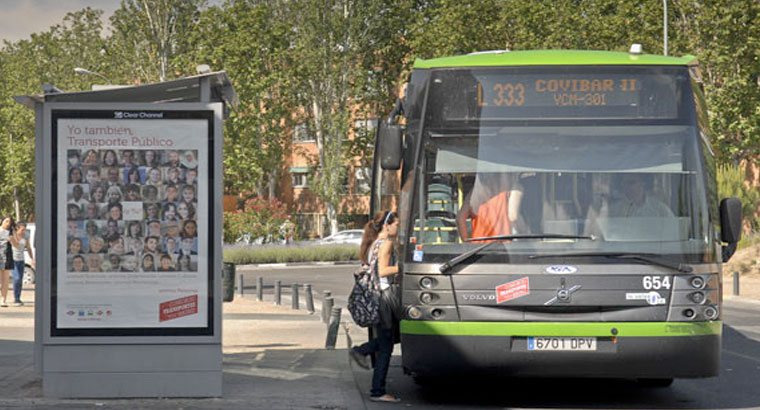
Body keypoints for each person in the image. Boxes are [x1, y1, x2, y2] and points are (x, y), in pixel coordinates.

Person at [348, 211, 401, 403]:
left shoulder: (373, 243)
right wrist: (403, 267)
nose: (399, 228)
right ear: (387, 226)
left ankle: (362, 351)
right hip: (384, 299)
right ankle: (377, 390)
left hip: (376, 297)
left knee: (391, 338)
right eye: (397, 224)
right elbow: (383, 271)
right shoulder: (386, 243)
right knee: (387, 345)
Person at [456, 173, 523, 241]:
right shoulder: (514, 188)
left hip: (478, 246)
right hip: (503, 245)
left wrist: (466, 242)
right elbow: (513, 217)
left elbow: (460, 217)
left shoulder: (477, 190)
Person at [0, 217, 16, 307]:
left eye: (9, 222)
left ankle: (3, 299)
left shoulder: (11, 232)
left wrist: (12, 240)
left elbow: (17, 245)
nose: (8, 223)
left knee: (5, 280)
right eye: (6, 221)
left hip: (7, 257)